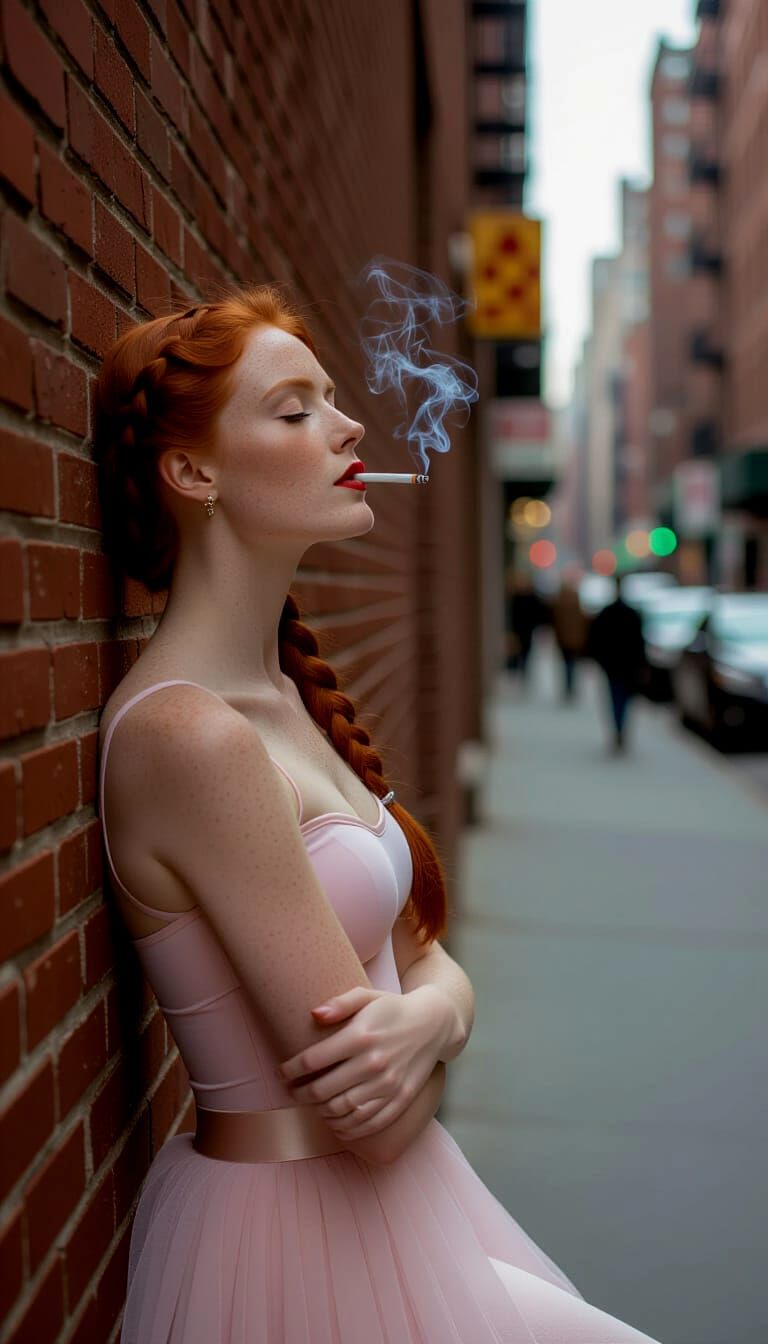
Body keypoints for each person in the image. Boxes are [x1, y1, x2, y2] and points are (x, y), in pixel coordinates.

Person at [94, 287, 661, 1342]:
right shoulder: (195, 740)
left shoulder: (286, 705)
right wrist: (434, 1015)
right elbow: (374, 1114)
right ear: (193, 472)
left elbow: (422, 965)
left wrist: (435, 1015)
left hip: (393, 1216)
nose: (349, 425)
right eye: (295, 408)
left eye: (333, 399)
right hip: (299, 1243)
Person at [587, 579, 648, 751]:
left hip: (612, 666)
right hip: (626, 666)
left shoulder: (607, 613)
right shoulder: (632, 614)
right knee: (624, 700)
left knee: (615, 698)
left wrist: (599, 660)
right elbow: (640, 643)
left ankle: (618, 728)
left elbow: (595, 639)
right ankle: (620, 729)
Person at [550, 573, 590, 701]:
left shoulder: (559, 601)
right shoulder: (575, 600)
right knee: (572, 664)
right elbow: (582, 620)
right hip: (574, 639)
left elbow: (555, 622)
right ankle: (570, 687)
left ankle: (568, 687)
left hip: (564, 639)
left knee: (566, 664)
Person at [505, 569, 545, 681]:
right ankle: (515, 672)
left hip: (527, 630)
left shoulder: (531, 597)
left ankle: (523, 671)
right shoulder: (514, 597)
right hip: (517, 629)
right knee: (515, 652)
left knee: (526, 652)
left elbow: (539, 613)